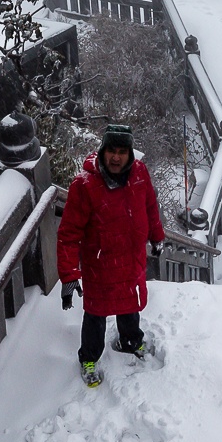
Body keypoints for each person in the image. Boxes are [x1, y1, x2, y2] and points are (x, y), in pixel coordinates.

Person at [57, 123, 165, 387]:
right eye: (111, 151)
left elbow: (150, 205)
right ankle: (89, 358)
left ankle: (130, 341)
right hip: (100, 265)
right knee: (96, 315)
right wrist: (70, 274)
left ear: (130, 154)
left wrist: (157, 235)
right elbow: (68, 234)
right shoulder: (84, 185)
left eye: (122, 152)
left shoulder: (139, 174)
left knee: (130, 305)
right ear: (103, 151)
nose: (116, 157)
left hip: (131, 259)